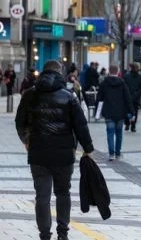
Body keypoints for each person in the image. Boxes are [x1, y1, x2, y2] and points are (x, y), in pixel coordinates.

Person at [15, 60, 94, 240]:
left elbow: (20, 122)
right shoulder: (69, 95)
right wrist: (88, 149)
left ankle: (44, 234)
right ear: (60, 73)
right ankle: (62, 233)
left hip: (38, 153)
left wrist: (26, 141)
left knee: (42, 196)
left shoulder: (29, 95)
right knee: (63, 192)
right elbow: (80, 125)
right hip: (63, 154)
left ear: (43, 73)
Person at [97, 65, 134, 161]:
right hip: (120, 112)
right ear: (118, 72)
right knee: (119, 133)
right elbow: (128, 98)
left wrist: (98, 111)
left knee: (110, 133)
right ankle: (118, 153)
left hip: (108, 112)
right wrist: (131, 111)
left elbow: (99, 98)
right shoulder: (122, 83)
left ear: (109, 72)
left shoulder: (104, 83)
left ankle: (111, 154)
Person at [123, 63, 141, 132]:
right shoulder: (140, 77)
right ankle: (132, 125)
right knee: (134, 112)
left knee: (128, 111)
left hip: (128, 97)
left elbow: (123, 86)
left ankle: (129, 124)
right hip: (135, 97)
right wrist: (138, 93)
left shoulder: (126, 76)